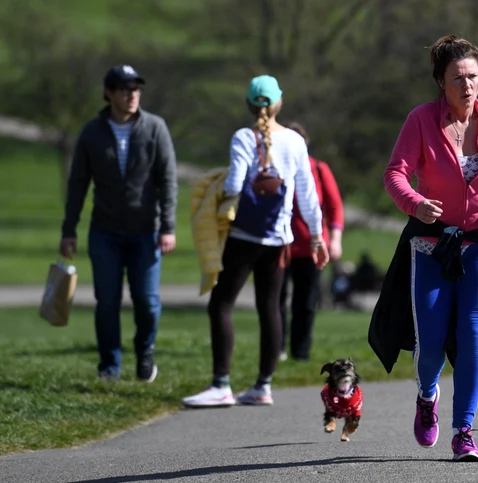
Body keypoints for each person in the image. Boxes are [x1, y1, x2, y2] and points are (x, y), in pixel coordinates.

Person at [369, 35, 478, 462]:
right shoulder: (420, 121)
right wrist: (415, 204)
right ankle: (426, 394)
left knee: (473, 333)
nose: (468, 86)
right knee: (432, 340)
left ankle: (465, 431)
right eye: (458, 78)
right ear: (442, 82)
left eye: (473, 76)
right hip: (432, 242)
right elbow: (395, 173)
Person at [182, 75, 329, 408]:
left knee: (221, 304)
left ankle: (221, 384)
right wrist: (318, 236)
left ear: (250, 104)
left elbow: (234, 184)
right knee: (271, 307)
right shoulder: (295, 141)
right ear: (279, 103)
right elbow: (307, 194)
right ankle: (263, 385)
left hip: (244, 236)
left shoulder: (243, 137)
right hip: (279, 239)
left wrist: (222, 194)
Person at [60, 64, 178, 382]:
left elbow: (168, 180)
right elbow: (77, 184)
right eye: (125, 89)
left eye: (136, 89)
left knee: (147, 302)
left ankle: (145, 351)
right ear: (109, 93)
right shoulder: (92, 133)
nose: (132, 95)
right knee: (107, 301)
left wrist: (168, 226)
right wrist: (68, 230)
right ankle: (110, 365)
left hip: (147, 231)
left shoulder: (155, 128)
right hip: (105, 232)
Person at [279, 121, 344, 362]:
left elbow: (335, 206)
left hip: (312, 247)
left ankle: (300, 352)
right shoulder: (274, 169)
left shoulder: (317, 168)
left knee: (305, 303)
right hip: (280, 246)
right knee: (276, 301)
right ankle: (277, 350)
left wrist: (335, 240)